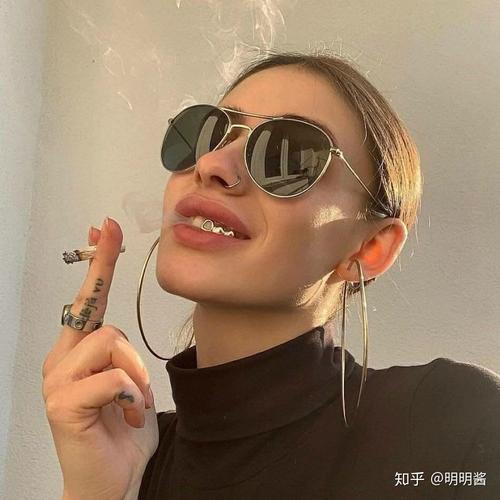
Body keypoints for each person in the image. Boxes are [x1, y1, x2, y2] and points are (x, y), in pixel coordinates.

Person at [42, 51, 500, 500]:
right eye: (207, 134)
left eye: (288, 155)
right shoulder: (133, 457)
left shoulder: (454, 425)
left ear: (369, 247)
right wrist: (97, 494)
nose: (212, 165)